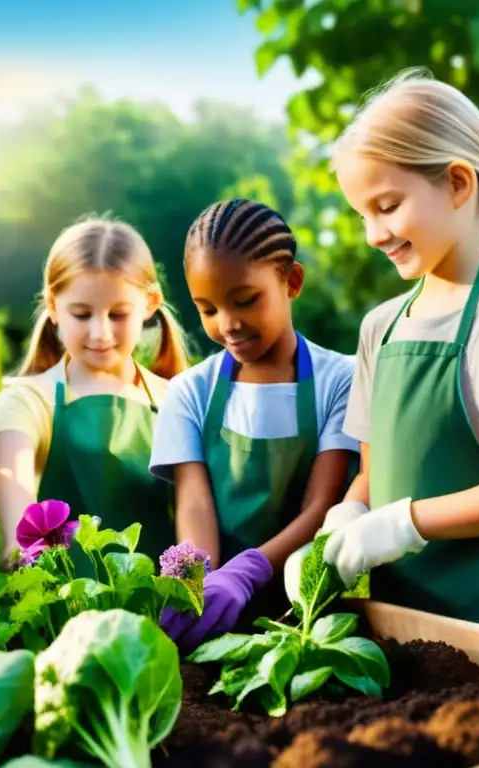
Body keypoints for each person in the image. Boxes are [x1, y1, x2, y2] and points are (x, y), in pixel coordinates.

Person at [317, 69, 479, 640]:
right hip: (403, 620)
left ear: (458, 184)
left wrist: (406, 523)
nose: (372, 234)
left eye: (386, 206)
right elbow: (372, 469)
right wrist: (349, 515)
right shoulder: (379, 329)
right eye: (362, 214)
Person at [152, 199, 360, 650]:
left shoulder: (340, 379)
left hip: (315, 612)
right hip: (220, 613)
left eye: (246, 301)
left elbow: (322, 504)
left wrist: (249, 570)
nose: (228, 324)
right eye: (207, 309)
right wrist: (192, 587)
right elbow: (195, 506)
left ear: (292, 282)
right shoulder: (190, 392)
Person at [0, 217, 189, 573]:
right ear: (52, 306)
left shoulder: (175, 402)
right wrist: (21, 560)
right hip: (55, 614)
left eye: (118, 314)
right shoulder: (28, 400)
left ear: (150, 303)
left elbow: (193, 516)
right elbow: (14, 500)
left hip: (162, 618)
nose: (100, 332)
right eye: (81, 313)